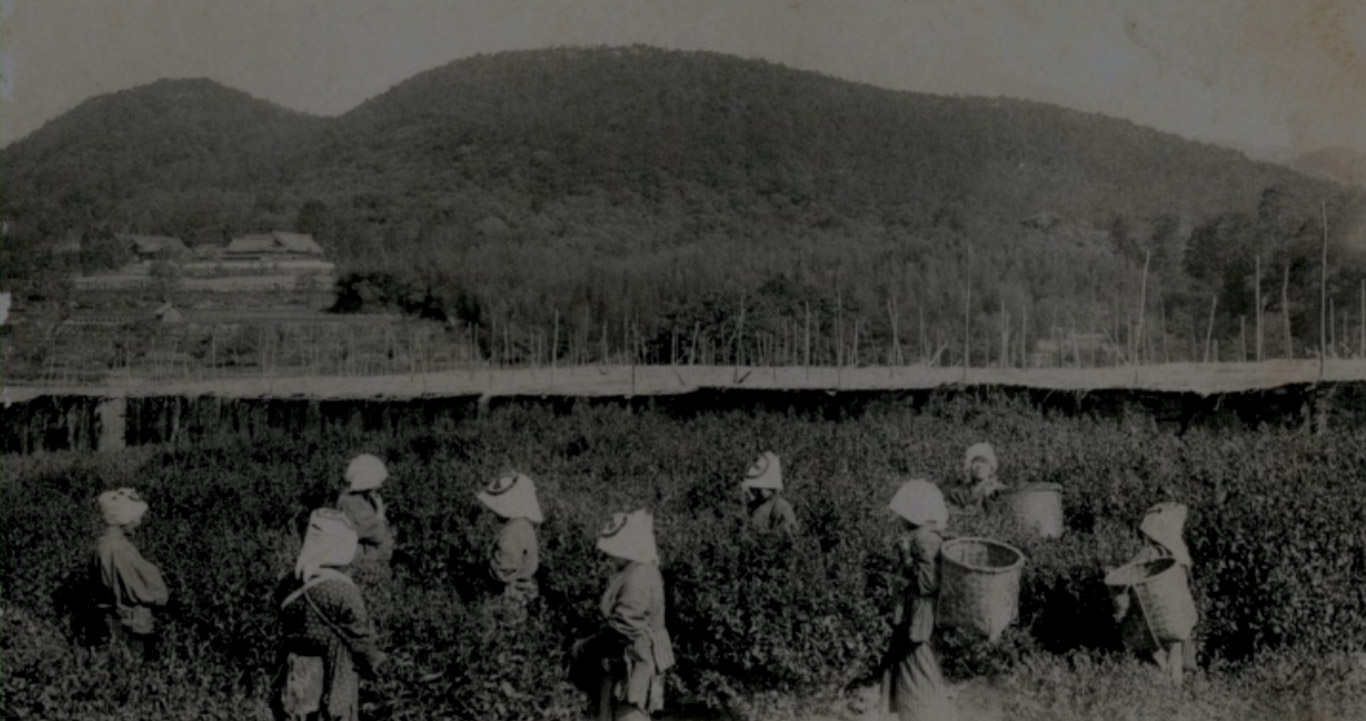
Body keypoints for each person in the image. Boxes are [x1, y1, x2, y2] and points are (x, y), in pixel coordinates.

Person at [271, 508, 386, 721]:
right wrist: (379, 665)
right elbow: (360, 637)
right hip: (334, 679)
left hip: (296, 677)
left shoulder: (287, 584)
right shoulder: (343, 590)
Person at [572, 510, 676, 721]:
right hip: (628, 657)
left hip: (638, 660)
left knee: (630, 714)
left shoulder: (639, 578)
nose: (609, 556)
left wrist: (585, 647)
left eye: (614, 550)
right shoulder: (636, 570)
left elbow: (623, 627)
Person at [881, 479, 957, 721]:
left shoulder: (924, 540)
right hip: (916, 615)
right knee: (916, 670)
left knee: (918, 671)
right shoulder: (926, 536)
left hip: (920, 617)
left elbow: (927, 584)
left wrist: (905, 557)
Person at [1110, 501, 1198, 685]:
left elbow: (1130, 575)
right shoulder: (1179, 556)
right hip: (1175, 619)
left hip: (1153, 617)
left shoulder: (1149, 553)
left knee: (1155, 658)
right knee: (1175, 657)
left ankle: (1159, 695)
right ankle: (1176, 691)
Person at [89, 488, 170, 662]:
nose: (138, 522)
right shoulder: (121, 549)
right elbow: (151, 587)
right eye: (135, 518)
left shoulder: (100, 545)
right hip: (133, 625)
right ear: (124, 519)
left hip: (108, 620)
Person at [476, 471, 543, 604]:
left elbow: (503, 573)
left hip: (511, 595)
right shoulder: (522, 524)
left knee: (503, 621)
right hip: (524, 587)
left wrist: (487, 568)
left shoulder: (511, 535)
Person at [335, 454, 394, 565]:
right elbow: (376, 533)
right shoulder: (352, 502)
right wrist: (380, 512)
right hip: (359, 556)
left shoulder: (360, 498)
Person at [741, 451, 797, 534]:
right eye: (753, 488)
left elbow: (790, 536)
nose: (754, 491)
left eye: (758, 488)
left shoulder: (782, 508)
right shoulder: (751, 506)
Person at [946, 442, 1007, 511]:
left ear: (991, 468)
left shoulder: (999, 492)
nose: (979, 466)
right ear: (969, 466)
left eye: (984, 461)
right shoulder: (958, 493)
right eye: (975, 461)